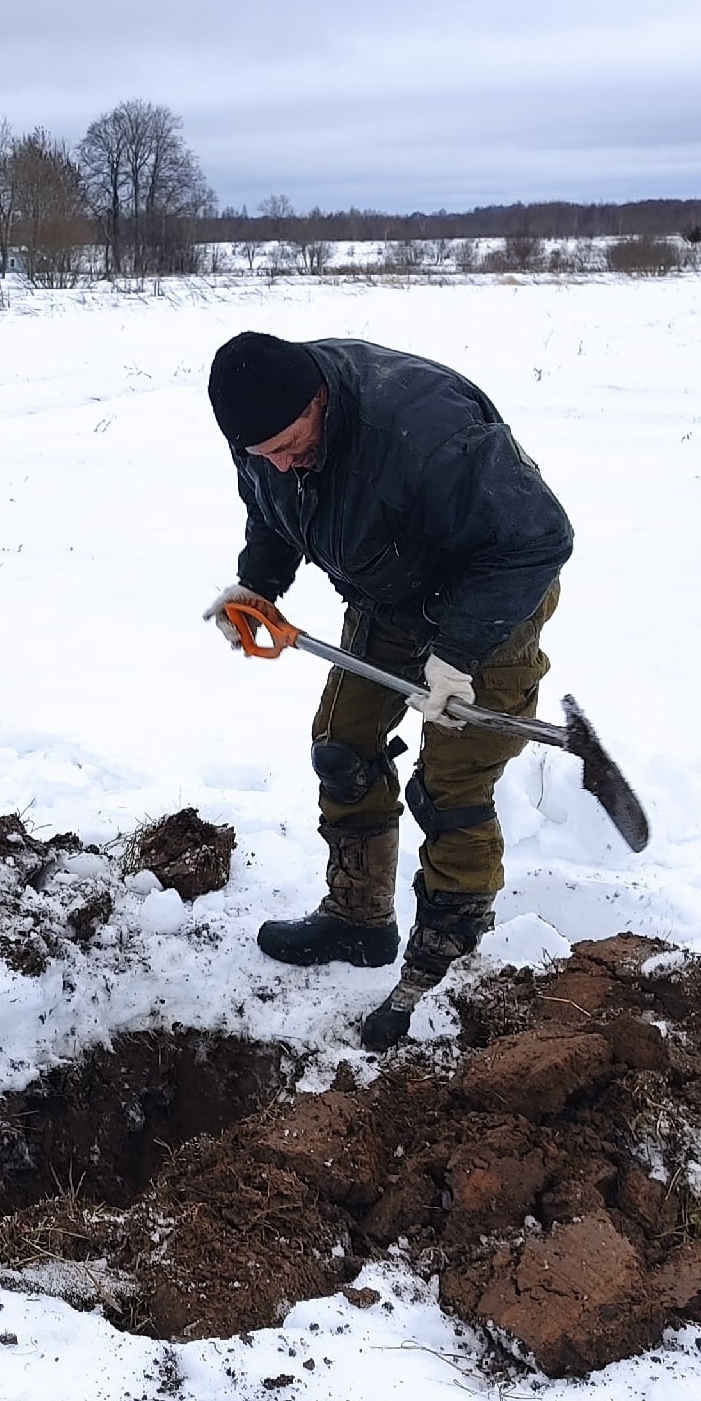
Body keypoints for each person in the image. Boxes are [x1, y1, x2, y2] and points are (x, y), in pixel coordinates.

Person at [203, 332, 573, 1050]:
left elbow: (537, 539)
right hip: (389, 591)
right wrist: (260, 582)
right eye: (263, 454)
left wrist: (458, 654)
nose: (280, 461)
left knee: (451, 788)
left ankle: (447, 967)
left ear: (320, 399)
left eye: (289, 442)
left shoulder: (427, 435)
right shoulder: (260, 429)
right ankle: (358, 918)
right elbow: (274, 505)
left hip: (491, 597)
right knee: (341, 749)